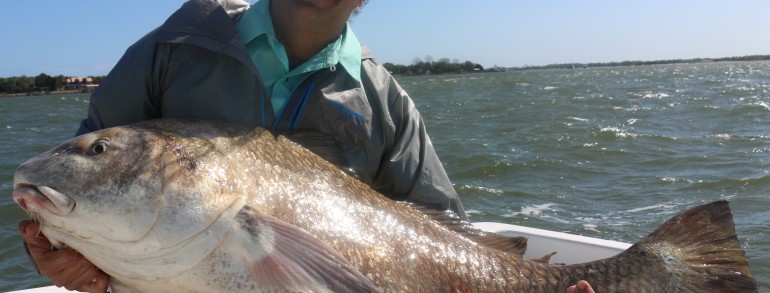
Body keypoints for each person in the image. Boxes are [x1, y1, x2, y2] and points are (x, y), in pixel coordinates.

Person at [18, 1, 593, 292]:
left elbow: (441, 229)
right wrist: (55, 251)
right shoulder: (173, 45)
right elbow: (82, 179)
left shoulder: (383, 98)